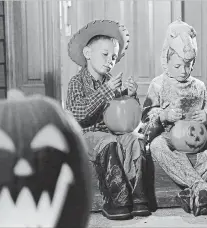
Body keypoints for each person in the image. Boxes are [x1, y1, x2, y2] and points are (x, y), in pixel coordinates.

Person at [65, 20, 150, 220]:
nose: (110, 61)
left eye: (113, 57)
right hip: (87, 137)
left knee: (134, 139)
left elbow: (126, 117)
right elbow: (78, 112)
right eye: (105, 55)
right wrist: (107, 90)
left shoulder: (111, 81)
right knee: (108, 141)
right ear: (87, 53)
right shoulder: (77, 82)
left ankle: (138, 197)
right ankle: (117, 198)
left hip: (112, 134)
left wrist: (131, 95)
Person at [141, 19, 207, 216]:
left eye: (188, 65)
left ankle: (193, 193)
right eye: (178, 65)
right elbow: (146, 119)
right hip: (168, 138)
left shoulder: (198, 86)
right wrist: (164, 115)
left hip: (199, 139)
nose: (184, 70)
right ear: (166, 61)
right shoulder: (158, 84)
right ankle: (201, 188)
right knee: (155, 146)